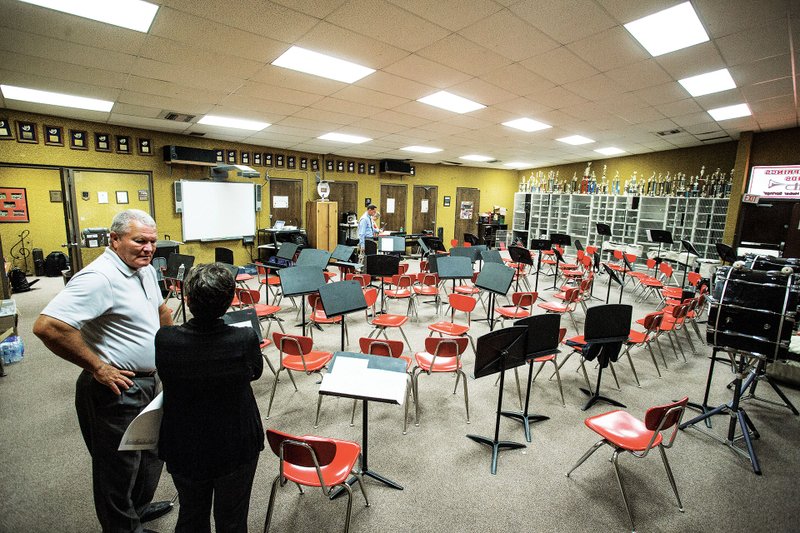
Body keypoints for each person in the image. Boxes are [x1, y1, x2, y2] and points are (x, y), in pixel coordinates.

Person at [33, 209, 174, 533]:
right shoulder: (99, 277)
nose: (148, 248)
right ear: (114, 239)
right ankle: (122, 527)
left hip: (150, 382)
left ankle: (136, 511)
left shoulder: (145, 270)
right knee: (117, 470)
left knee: (151, 456)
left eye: (152, 242)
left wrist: (172, 353)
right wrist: (98, 367)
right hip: (117, 389)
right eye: (139, 241)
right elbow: (49, 327)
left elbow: (161, 310)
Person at [154, 263, 263, 533]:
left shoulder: (165, 339)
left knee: (191, 515)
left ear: (187, 299)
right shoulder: (244, 337)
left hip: (184, 443)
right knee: (232, 520)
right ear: (229, 302)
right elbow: (255, 373)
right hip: (235, 442)